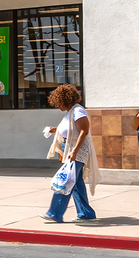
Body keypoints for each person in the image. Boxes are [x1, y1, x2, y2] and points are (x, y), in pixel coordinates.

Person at [42, 83, 98, 223]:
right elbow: (70, 129)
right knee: (76, 183)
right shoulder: (71, 111)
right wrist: (54, 130)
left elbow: (84, 131)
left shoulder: (78, 111)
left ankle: (55, 212)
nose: (57, 106)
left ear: (65, 99)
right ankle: (86, 214)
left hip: (78, 150)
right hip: (72, 149)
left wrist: (74, 151)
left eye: (58, 102)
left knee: (65, 180)